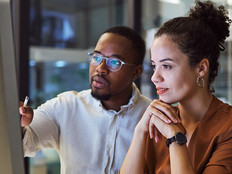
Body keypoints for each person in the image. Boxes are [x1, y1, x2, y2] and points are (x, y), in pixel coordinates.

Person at [19, 26, 152, 174]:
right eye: (96, 58)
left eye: (114, 62)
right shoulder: (66, 106)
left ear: (136, 71)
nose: (100, 68)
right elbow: (23, 144)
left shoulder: (151, 117)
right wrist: (20, 126)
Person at [119, 1, 232, 174]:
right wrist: (140, 130)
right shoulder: (156, 122)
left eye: (167, 66)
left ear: (201, 68)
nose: (155, 77)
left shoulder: (228, 127)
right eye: (154, 65)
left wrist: (175, 138)